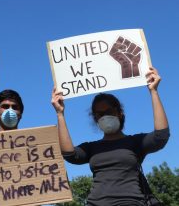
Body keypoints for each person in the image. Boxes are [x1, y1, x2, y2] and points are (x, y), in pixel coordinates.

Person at [51, 67, 170, 206]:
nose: (105, 116)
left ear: (119, 113)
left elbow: (161, 136)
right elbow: (69, 154)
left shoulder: (135, 142)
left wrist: (153, 91)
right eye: (99, 114)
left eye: (109, 111)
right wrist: (60, 114)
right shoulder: (92, 148)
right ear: (95, 119)